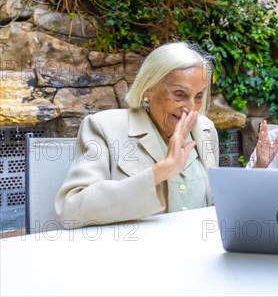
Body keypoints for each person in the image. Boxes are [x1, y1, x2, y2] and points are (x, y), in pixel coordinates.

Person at [55, 41, 219, 228]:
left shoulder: (205, 130)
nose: (190, 107)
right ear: (148, 88)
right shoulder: (103, 127)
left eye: (199, 96)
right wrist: (159, 172)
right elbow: (71, 210)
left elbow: (213, 206)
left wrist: (253, 171)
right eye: (179, 94)